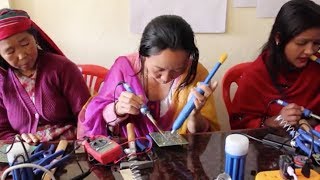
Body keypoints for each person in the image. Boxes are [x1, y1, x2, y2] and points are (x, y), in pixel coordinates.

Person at [78, 15, 220, 138]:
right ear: (143, 55)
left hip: (177, 156)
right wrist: (117, 109)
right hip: (132, 152)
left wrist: (195, 115)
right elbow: (95, 118)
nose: (165, 78)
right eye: (159, 70)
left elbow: (204, 136)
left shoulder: (196, 74)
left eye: (177, 70)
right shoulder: (124, 69)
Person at [0, 9, 90, 143]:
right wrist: (17, 140)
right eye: (10, 51)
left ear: (35, 38)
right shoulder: (2, 82)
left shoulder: (63, 68)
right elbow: (2, 131)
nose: (21, 55)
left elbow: (87, 116)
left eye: (25, 44)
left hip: (70, 148)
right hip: (27, 153)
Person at [230, 0, 320, 129]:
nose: (310, 51)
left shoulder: (316, 66)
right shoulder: (256, 75)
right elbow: (239, 124)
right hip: (270, 145)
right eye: (301, 43)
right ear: (279, 38)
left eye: (317, 43)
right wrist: (275, 121)